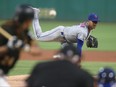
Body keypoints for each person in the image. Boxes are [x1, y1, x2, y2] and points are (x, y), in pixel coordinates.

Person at [31, 7, 99, 56]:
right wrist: (78, 60)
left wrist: (88, 38)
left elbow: (84, 29)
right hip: (60, 33)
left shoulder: (88, 28)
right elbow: (79, 47)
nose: (95, 23)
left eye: (96, 22)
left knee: (69, 56)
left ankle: (58, 61)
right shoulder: (83, 31)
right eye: (93, 21)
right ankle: (35, 14)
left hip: (65, 40)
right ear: (89, 21)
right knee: (38, 36)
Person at [0, 4, 40, 86]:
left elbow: (36, 50)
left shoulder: (25, 33)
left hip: (3, 74)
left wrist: (25, 47)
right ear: (27, 20)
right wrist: (8, 47)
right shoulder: (6, 30)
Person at [26, 45, 94, 87]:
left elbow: (29, 84)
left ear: (58, 56)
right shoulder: (84, 76)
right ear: (77, 60)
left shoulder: (40, 67)